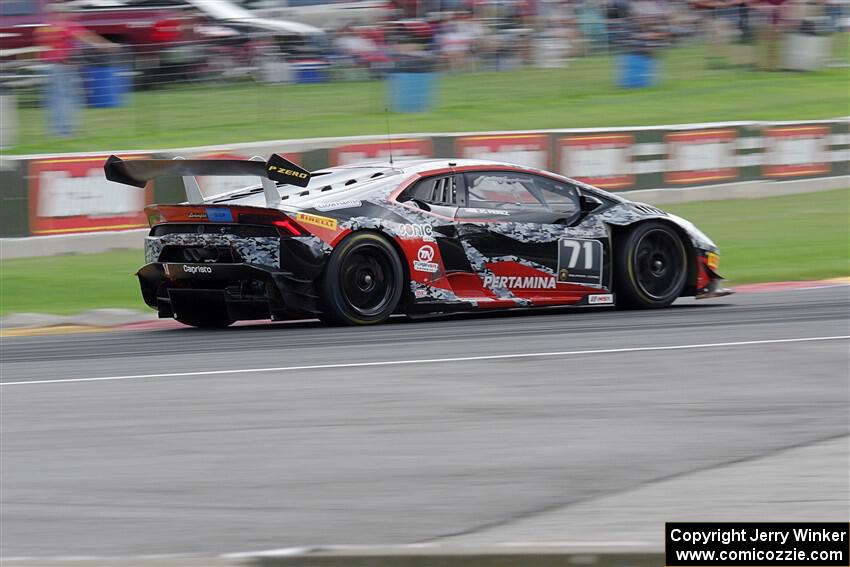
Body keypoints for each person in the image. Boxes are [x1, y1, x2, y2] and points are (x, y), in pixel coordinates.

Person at [35, 3, 117, 138]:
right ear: (62, 13)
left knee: (54, 100)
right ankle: (67, 131)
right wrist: (107, 45)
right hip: (64, 66)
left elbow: (44, 47)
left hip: (50, 67)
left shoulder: (45, 27)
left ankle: (56, 131)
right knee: (68, 98)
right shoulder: (67, 25)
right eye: (70, 12)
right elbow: (87, 37)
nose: (73, 14)